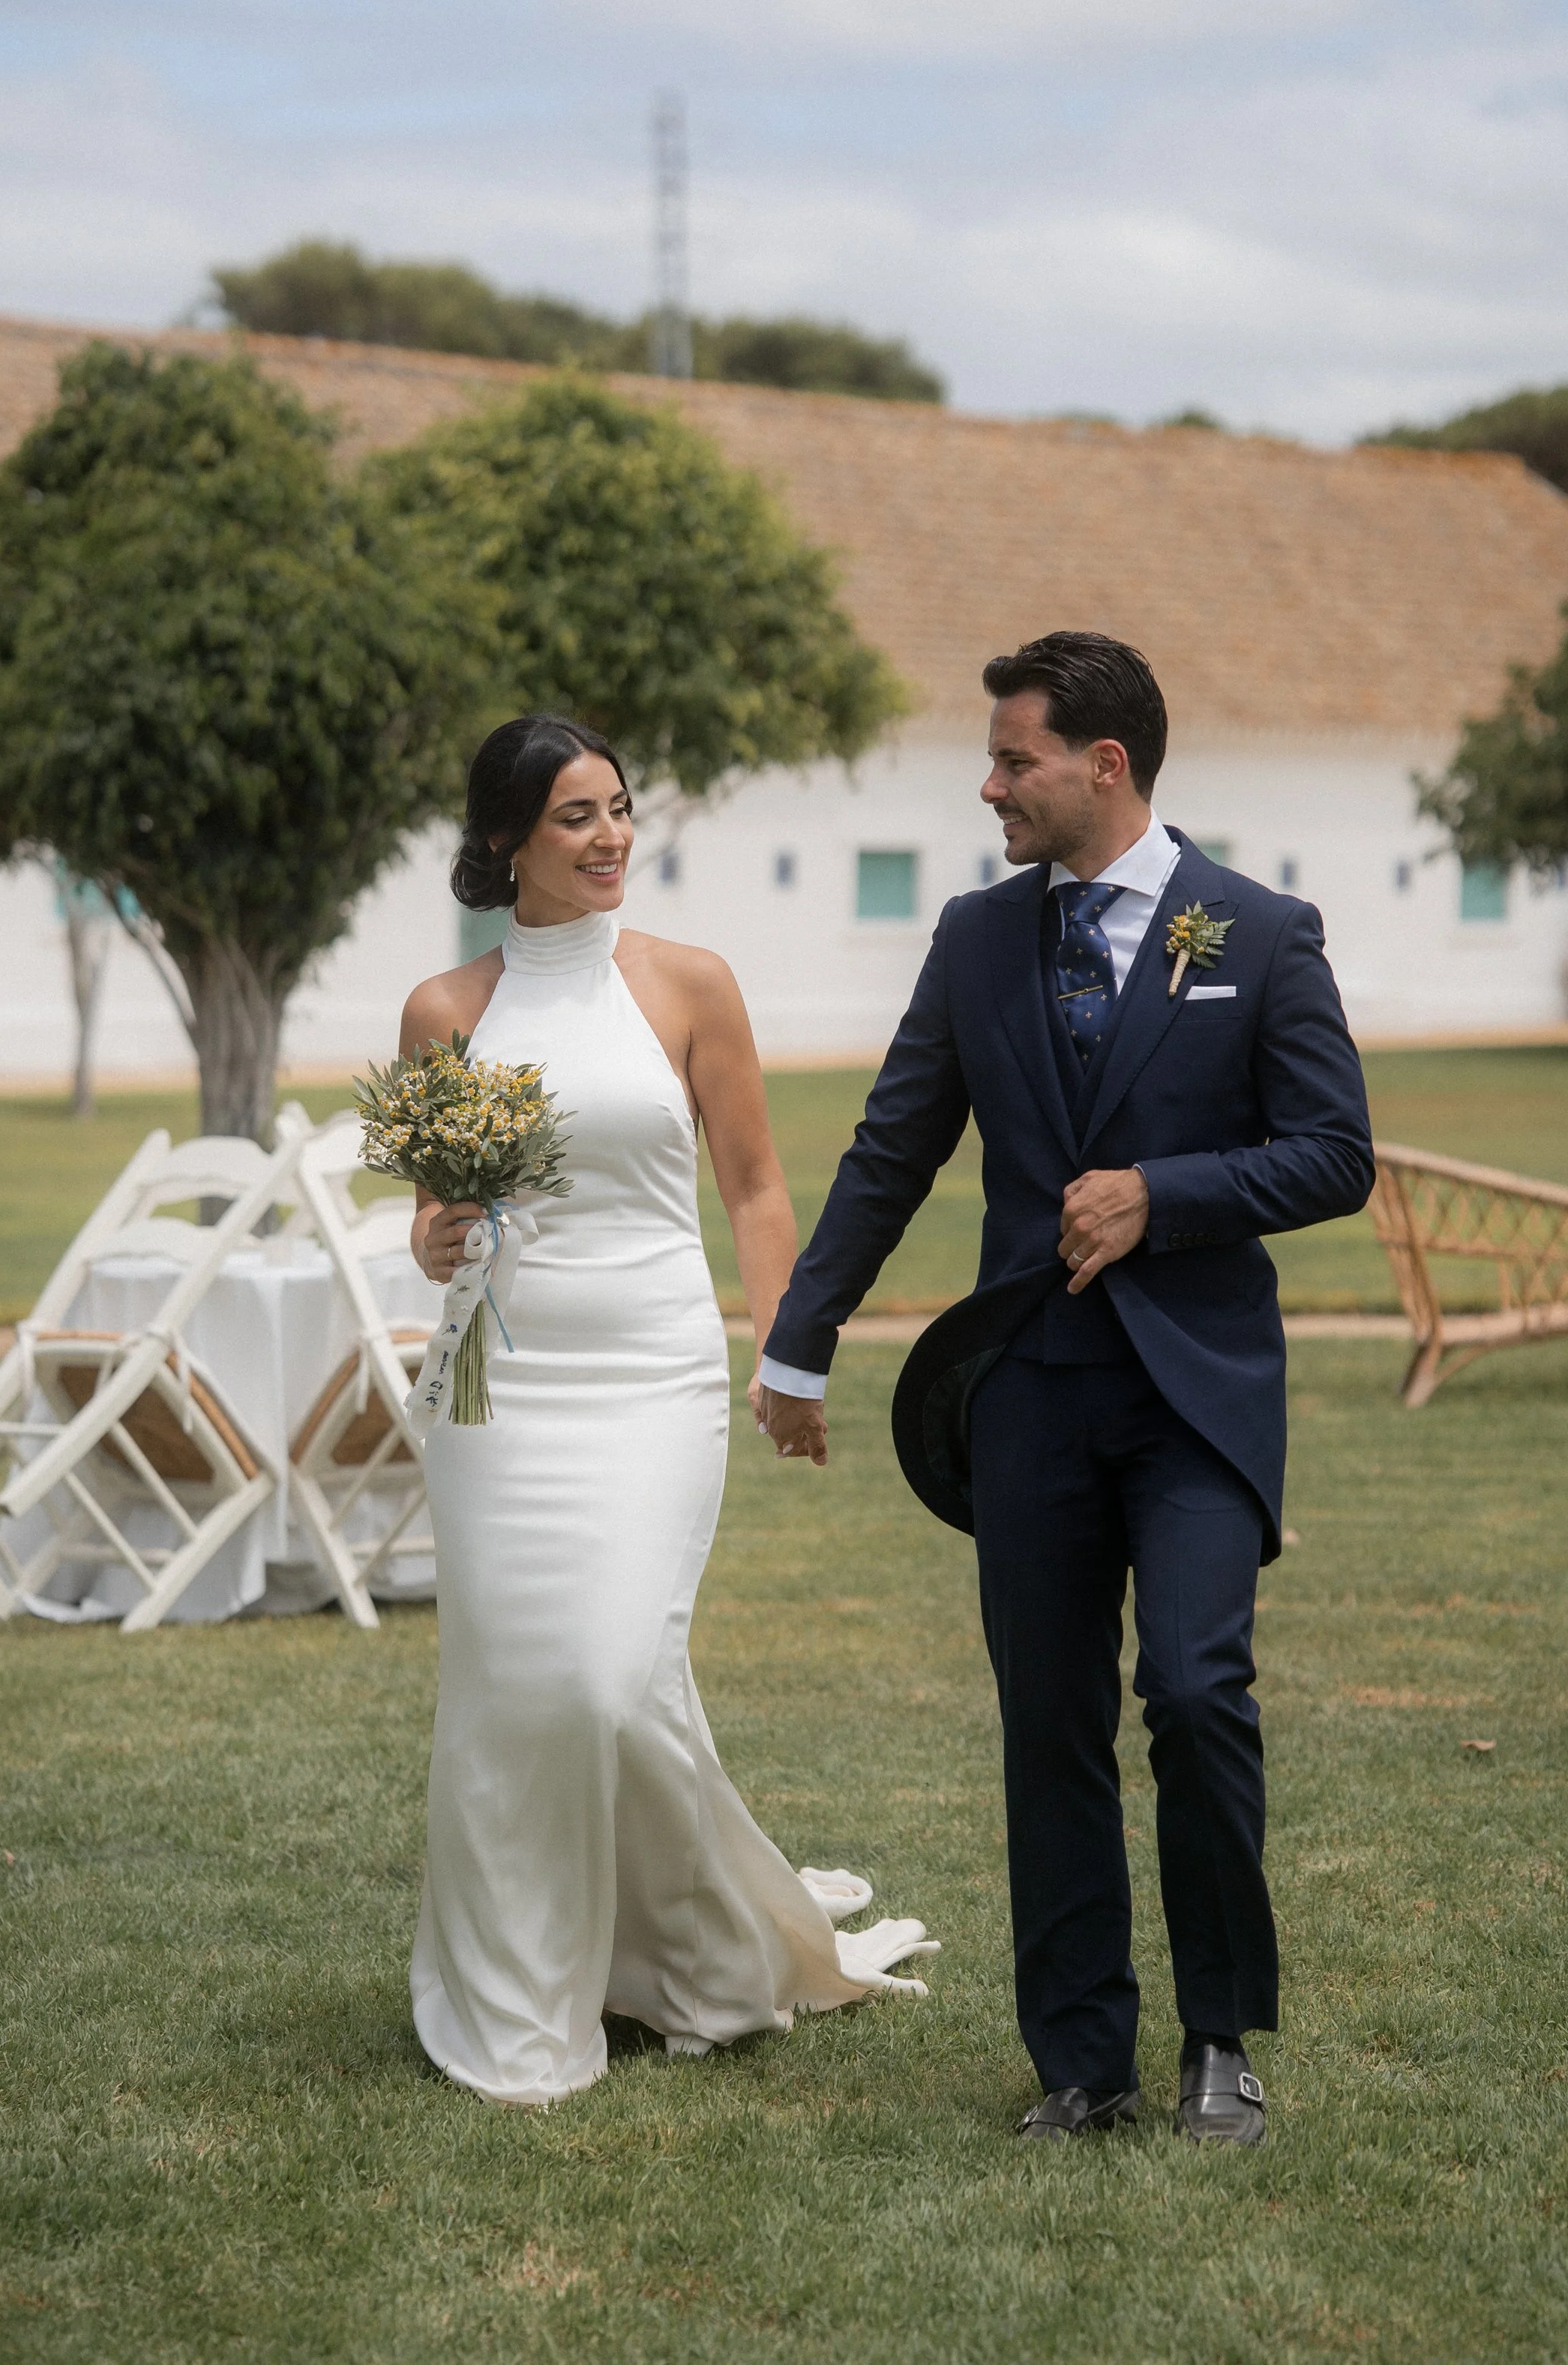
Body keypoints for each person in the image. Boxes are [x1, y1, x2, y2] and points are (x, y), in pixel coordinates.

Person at [754, 632, 1373, 2143]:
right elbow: (892, 1146)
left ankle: (1219, 2038)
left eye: (1012, 758)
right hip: (1026, 1391)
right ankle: (1081, 2062)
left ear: (1103, 765)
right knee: (1046, 1720)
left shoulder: (1258, 931)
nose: (990, 786)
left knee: (1194, 1690)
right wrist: (797, 1337)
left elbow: (1334, 1154)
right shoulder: (971, 941)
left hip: (1195, 1400)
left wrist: (1161, 1192)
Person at [401, 712, 934, 2107]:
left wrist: (788, 1351)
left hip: (651, 1376)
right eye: (576, 816)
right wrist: (441, 1235)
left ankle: (700, 1956)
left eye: (621, 809)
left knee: (610, 1676)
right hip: (492, 1393)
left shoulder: (692, 984)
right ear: (510, 836)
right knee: (520, 1693)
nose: (612, 837)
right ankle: (523, 1993)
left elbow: (756, 1187)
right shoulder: (444, 1012)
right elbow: (425, 1229)